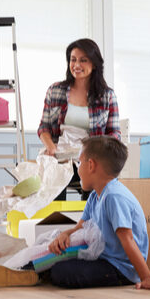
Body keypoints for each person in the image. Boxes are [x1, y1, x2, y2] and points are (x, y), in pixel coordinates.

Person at [0, 136, 150, 291]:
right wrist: (65, 234)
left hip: (120, 269)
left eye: (79, 163)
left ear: (91, 165)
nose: (77, 170)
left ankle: (33, 272)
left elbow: (128, 239)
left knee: (62, 272)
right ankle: (25, 268)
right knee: (53, 246)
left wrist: (146, 277)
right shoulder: (96, 195)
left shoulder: (114, 197)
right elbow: (80, 226)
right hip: (104, 258)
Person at [37, 38, 121, 200]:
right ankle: (56, 224)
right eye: (73, 59)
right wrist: (50, 147)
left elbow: (114, 133)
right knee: (52, 183)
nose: (76, 65)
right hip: (60, 157)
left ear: (94, 64)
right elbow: (44, 127)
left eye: (83, 60)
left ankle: (90, 222)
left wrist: (98, 150)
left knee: (93, 195)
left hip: (90, 159)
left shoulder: (107, 96)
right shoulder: (55, 90)